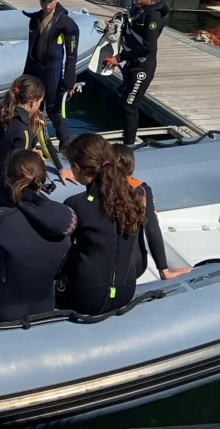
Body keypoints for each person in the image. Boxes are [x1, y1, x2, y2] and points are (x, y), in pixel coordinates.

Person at [0, 149, 76, 322]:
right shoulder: (65, 216)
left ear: (8, 180)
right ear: (43, 178)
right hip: (46, 304)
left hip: (4, 309)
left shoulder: (1, 218)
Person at [0, 76, 76, 258]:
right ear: (33, 102)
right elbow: (19, 167)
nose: (40, 106)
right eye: (40, 102)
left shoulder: (1, 117)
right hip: (9, 188)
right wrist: (34, 158)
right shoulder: (23, 130)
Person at [59, 134, 146, 315]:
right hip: (125, 293)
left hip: (86, 300)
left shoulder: (76, 204)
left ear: (77, 168)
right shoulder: (134, 198)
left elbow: (61, 255)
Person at [109, 144, 191, 281]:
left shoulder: (96, 189)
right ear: (132, 165)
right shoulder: (141, 191)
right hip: (134, 265)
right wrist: (164, 270)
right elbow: (152, 229)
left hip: (101, 264)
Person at [104, 0, 170, 145]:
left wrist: (119, 57)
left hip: (143, 68)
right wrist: (113, 25)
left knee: (130, 105)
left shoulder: (153, 17)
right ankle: (128, 139)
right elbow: (126, 26)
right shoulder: (135, 10)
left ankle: (129, 146)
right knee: (125, 101)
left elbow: (148, 47)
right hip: (131, 64)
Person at [23, 0, 80, 146]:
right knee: (33, 109)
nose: (46, 5)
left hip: (52, 71)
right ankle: (32, 145)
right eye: (43, 1)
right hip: (35, 70)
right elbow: (31, 51)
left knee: (53, 110)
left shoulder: (67, 24)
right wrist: (25, 76)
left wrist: (70, 80)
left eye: (50, 0)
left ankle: (65, 143)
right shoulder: (35, 20)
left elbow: (72, 56)